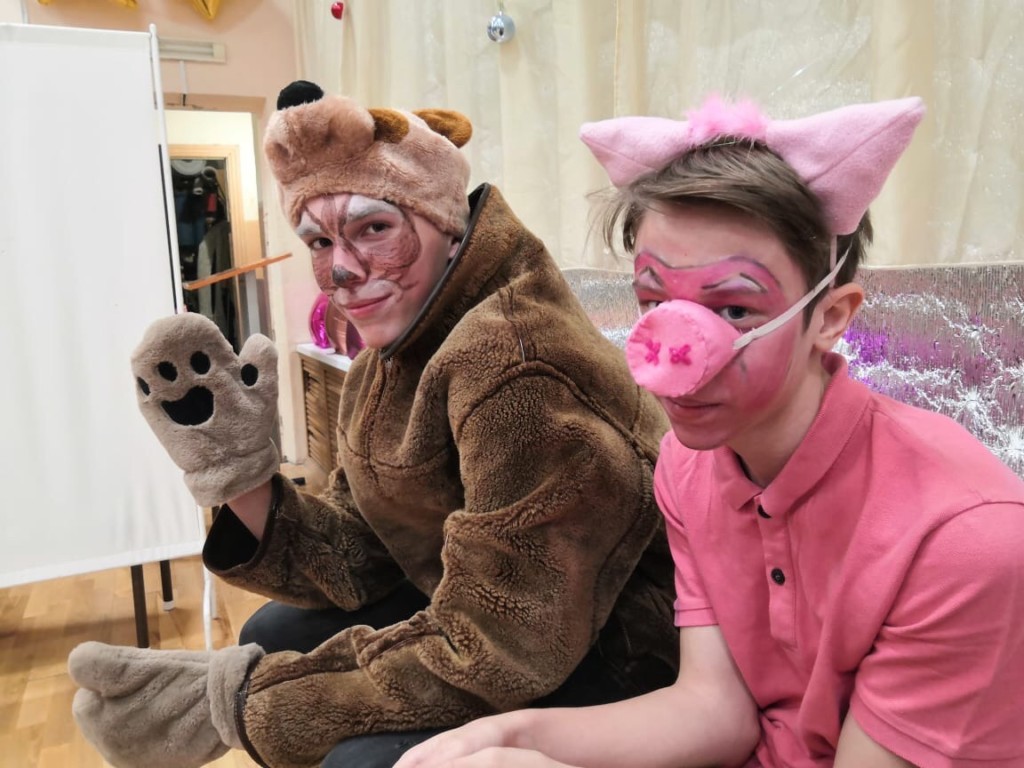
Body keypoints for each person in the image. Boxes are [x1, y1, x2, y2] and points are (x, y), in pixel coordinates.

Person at [391, 97, 1024, 768]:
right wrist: (511, 737)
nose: (676, 356)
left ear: (831, 317)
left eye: (734, 309)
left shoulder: (966, 541)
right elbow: (714, 708)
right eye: (655, 301)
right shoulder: (689, 465)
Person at [67, 81, 680, 768]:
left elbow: (504, 642)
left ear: (446, 224)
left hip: (617, 648)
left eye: (373, 229)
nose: (340, 270)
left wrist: (244, 705)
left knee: (353, 758)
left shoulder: (517, 366)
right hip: (495, 610)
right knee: (275, 631)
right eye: (318, 241)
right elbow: (363, 553)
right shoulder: (390, 355)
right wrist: (236, 471)